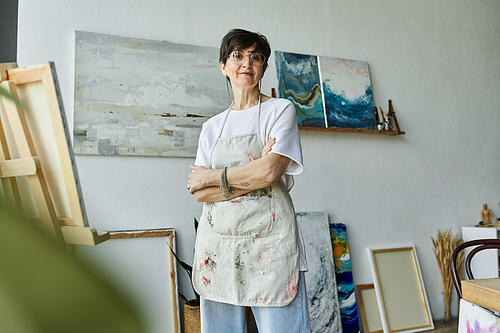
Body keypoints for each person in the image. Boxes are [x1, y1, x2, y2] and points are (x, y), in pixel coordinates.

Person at [187, 28, 310, 333]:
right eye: (238, 55)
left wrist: (213, 177)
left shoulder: (280, 110)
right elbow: (199, 193)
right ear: (223, 66)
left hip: (271, 244)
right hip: (219, 245)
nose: (246, 63)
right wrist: (253, 171)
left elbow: (270, 172)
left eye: (256, 57)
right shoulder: (211, 127)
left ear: (263, 68)